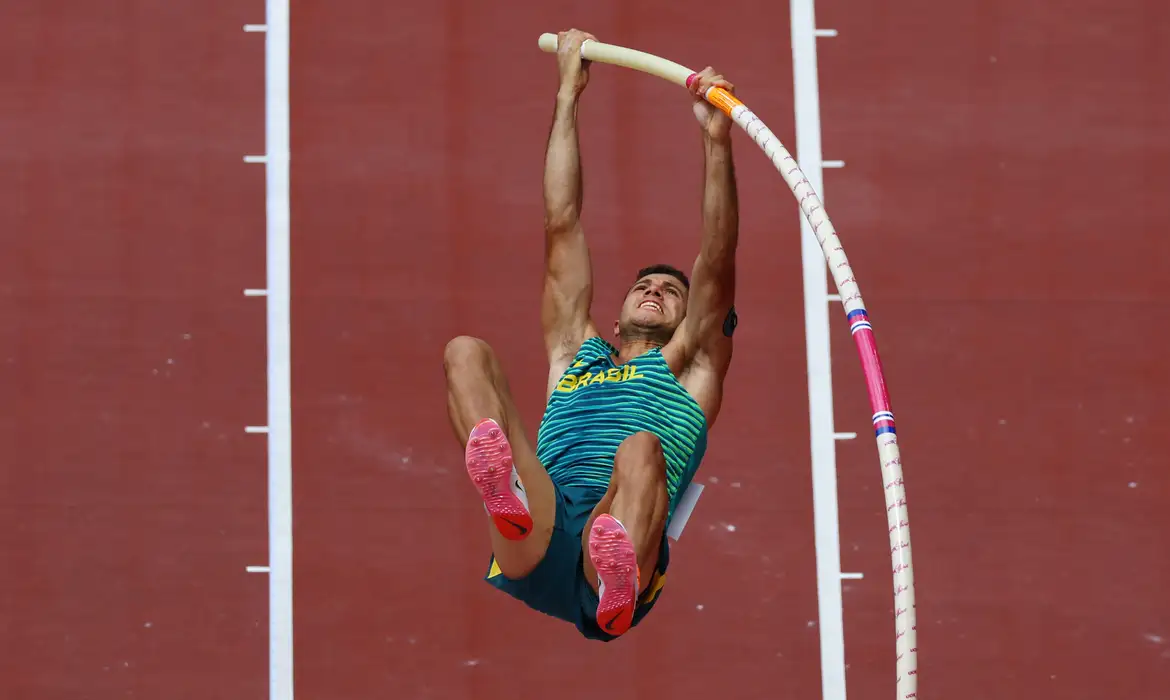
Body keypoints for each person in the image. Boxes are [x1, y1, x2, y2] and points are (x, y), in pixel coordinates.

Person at [442, 28, 740, 641]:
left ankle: (615, 577)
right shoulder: (573, 352)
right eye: (646, 285)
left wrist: (715, 143)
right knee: (465, 353)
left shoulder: (693, 368)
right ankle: (509, 496)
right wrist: (567, 96)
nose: (655, 290)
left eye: (671, 293)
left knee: (640, 449)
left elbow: (717, 257)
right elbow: (562, 222)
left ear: (691, 322)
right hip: (541, 527)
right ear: (616, 313)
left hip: (621, 539)